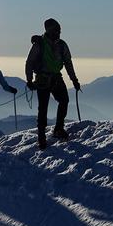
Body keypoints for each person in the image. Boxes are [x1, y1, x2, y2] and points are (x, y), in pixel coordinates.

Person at [25, 18, 81, 150]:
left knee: (60, 102)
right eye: (57, 29)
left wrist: (74, 80)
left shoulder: (50, 44)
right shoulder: (43, 44)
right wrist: (28, 79)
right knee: (46, 107)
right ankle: (45, 136)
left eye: (59, 30)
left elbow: (30, 62)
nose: (59, 32)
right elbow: (30, 62)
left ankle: (53, 131)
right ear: (49, 30)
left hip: (48, 79)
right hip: (49, 78)